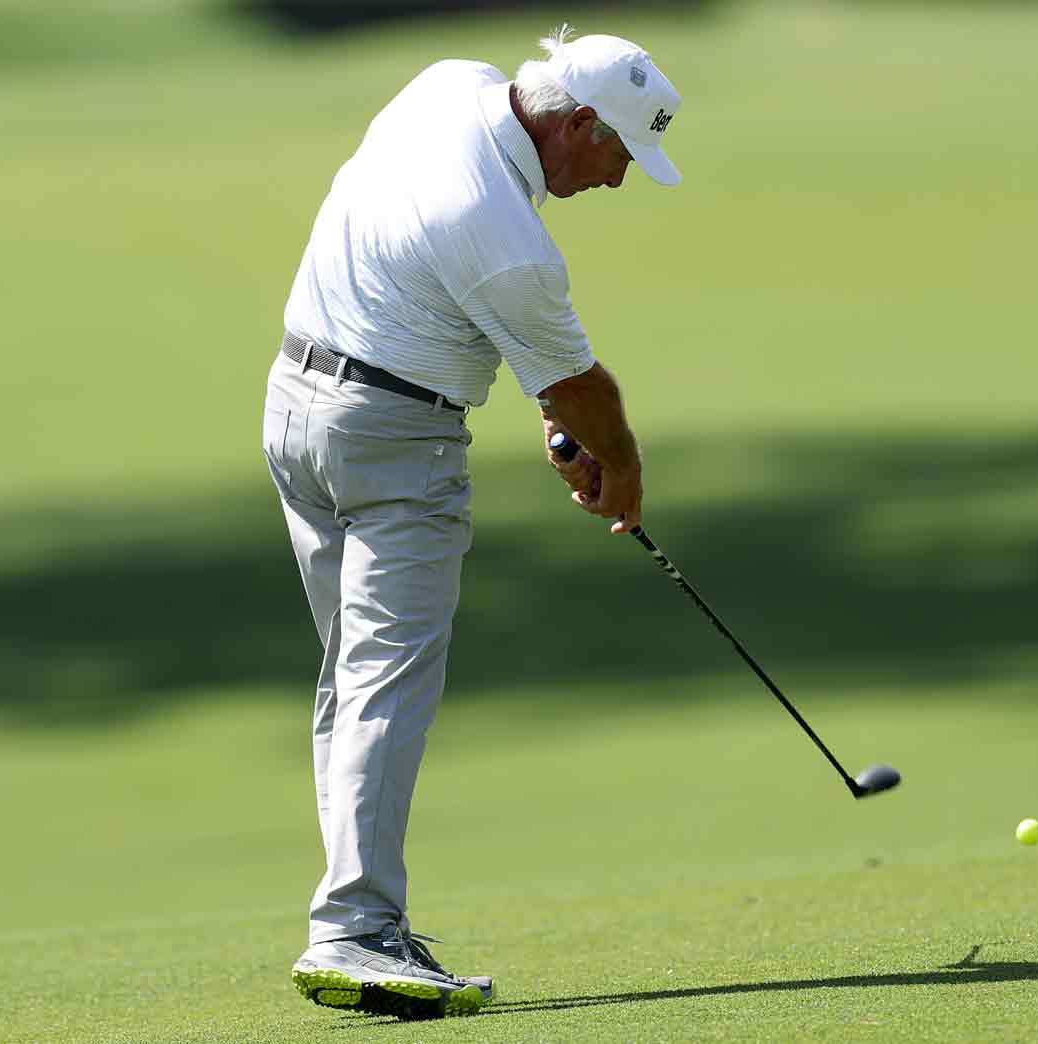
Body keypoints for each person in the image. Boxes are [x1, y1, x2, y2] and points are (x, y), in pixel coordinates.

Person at [264, 25, 683, 1021]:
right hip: (394, 447)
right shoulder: (510, 246)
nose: (619, 180)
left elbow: (466, 297)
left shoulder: (447, 84)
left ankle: (360, 918)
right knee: (384, 680)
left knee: (351, 677)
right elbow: (579, 385)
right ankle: (355, 927)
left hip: (297, 409)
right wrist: (616, 466)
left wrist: (549, 405)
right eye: (618, 152)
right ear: (577, 122)